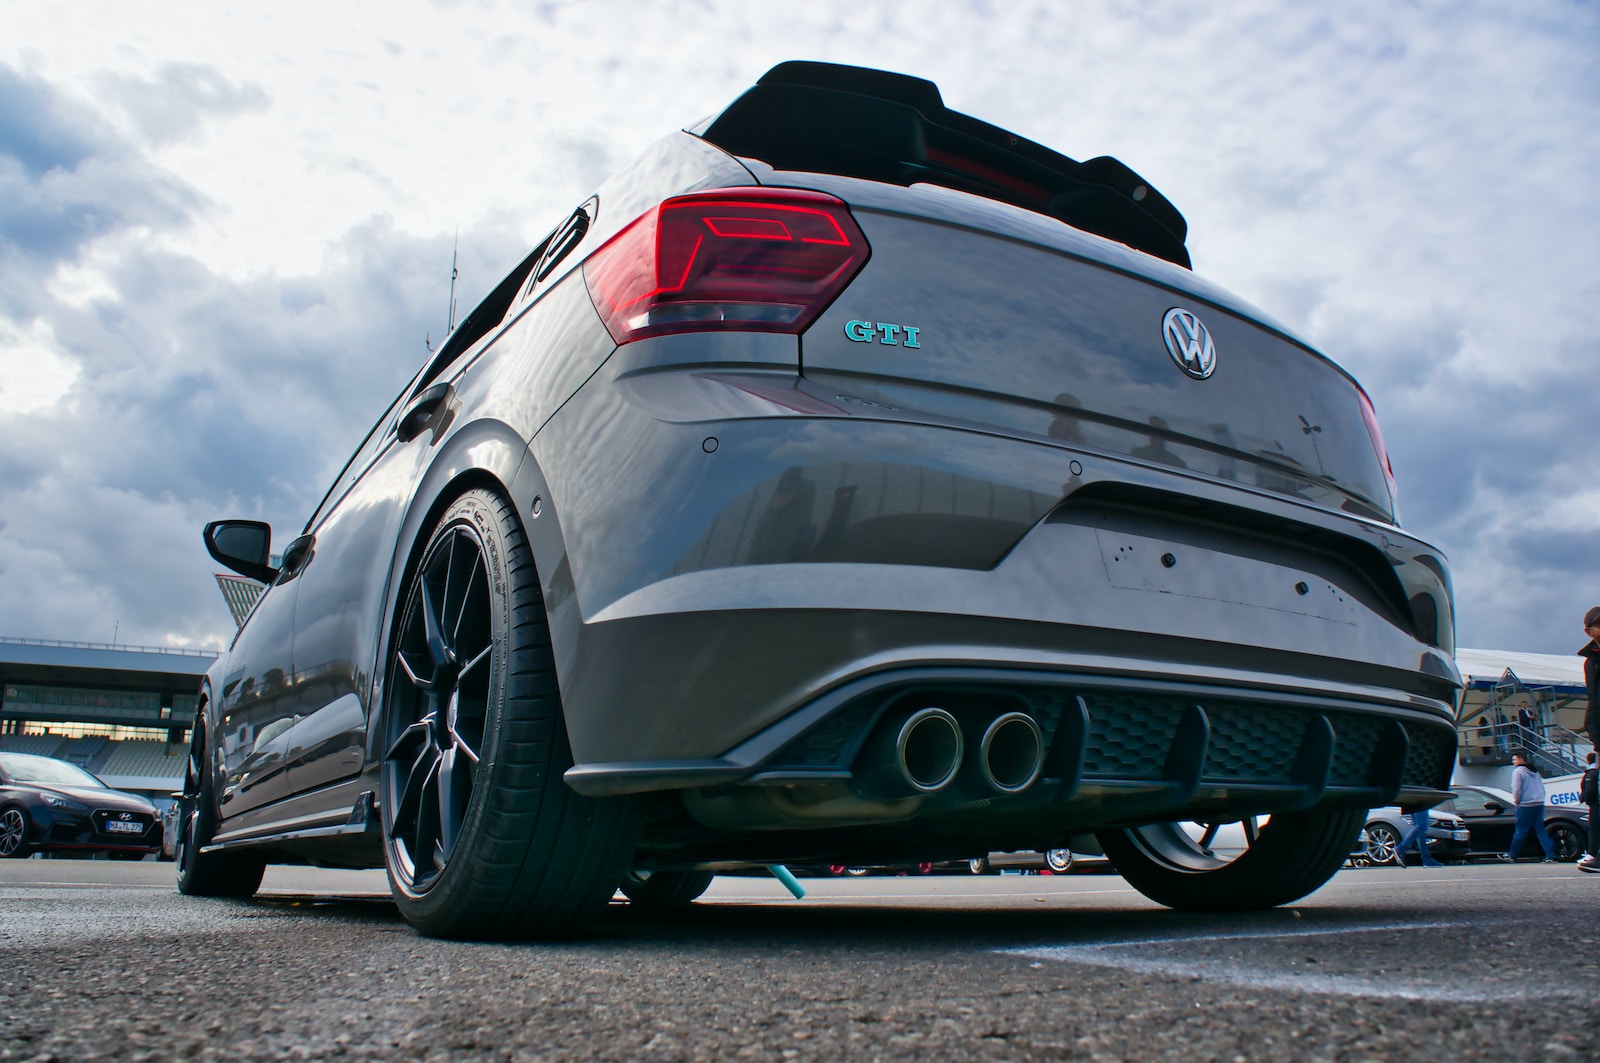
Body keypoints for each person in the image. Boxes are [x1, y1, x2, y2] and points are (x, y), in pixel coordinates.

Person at [1505, 752, 1557, 862]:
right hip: (1539, 803)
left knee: (1520, 831)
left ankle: (1512, 855)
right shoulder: (1535, 771)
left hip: (1526, 805)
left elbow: (1516, 788)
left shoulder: (1518, 772)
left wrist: (1516, 801)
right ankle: (1550, 855)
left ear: (1520, 759)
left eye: (1514, 759)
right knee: (1541, 830)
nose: (1513, 762)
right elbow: (1542, 787)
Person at [1579, 750, 1599, 874]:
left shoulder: (1591, 773)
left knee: (1595, 829)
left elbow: (1589, 791)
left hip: (1596, 804)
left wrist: (1586, 799)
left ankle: (1592, 854)